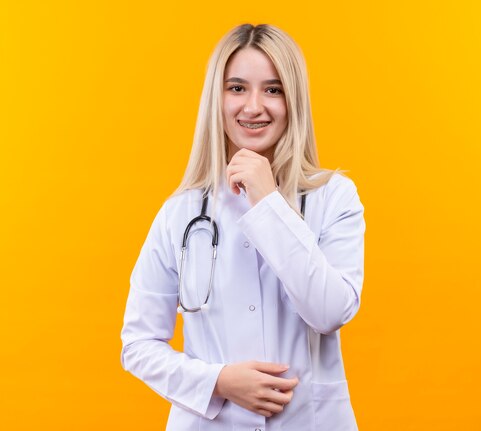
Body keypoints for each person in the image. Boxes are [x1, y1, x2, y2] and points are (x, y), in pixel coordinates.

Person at [120, 23, 366, 430]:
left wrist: (268, 202)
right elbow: (138, 345)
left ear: (294, 101)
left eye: (273, 89)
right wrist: (218, 382)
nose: (253, 107)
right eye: (237, 88)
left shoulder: (334, 197)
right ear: (216, 99)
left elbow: (329, 311)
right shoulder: (180, 213)